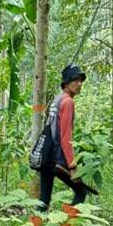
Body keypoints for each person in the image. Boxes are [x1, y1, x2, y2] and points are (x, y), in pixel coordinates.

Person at [38, 64, 90, 211]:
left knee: (43, 200)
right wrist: (72, 166)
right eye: (75, 80)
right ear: (66, 82)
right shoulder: (67, 102)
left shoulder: (57, 99)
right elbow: (65, 136)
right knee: (81, 191)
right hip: (58, 158)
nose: (79, 84)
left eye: (81, 80)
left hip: (46, 155)